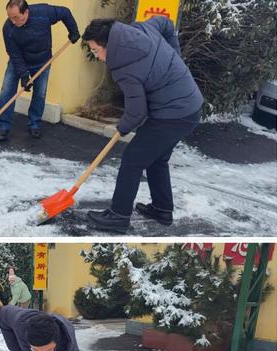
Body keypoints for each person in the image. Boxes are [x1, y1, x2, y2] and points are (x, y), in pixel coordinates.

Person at [82, 16, 204, 233]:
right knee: (157, 159)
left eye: (96, 50)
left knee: (132, 159)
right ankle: (162, 209)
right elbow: (166, 24)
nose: (97, 57)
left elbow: (137, 112)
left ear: (109, 44)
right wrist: (176, 55)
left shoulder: (124, 67)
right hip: (190, 106)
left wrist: (122, 127)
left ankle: (119, 216)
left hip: (173, 113)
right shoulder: (140, 29)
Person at [0, 0, 80, 142]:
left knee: (40, 94)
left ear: (26, 12)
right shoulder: (8, 28)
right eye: (10, 17)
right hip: (19, 61)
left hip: (42, 61)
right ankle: (4, 127)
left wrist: (73, 31)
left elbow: (65, 12)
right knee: (7, 91)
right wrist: (24, 75)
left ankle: (34, 124)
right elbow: (14, 54)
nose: (13, 21)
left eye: (16, 17)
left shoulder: (44, 13)